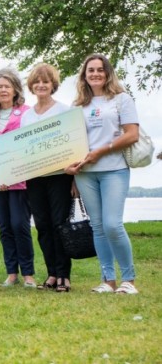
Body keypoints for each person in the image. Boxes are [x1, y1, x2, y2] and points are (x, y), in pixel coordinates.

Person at [65, 54, 140, 295]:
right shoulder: (77, 106)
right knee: (97, 226)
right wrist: (72, 172)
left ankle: (129, 279)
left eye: (100, 69)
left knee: (112, 225)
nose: (95, 74)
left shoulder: (121, 100)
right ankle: (108, 280)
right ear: (84, 76)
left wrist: (101, 151)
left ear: (107, 73)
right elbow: (70, 143)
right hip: (86, 174)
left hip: (114, 169)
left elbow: (132, 135)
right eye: (91, 70)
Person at [21, 63, 74, 292]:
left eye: (46, 81)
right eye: (37, 81)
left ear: (53, 85)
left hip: (60, 177)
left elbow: (73, 146)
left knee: (59, 224)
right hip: (35, 179)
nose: (41, 85)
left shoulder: (64, 111)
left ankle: (64, 274)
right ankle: (51, 273)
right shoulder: (26, 116)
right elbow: (21, 150)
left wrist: (74, 179)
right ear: (32, 86)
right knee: (42, 225)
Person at [0, 68, 36, 288]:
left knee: (19, 224)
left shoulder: (27, 113)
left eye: (7, 86)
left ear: (15, 89)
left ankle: (29, 274)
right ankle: (11, 273)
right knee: (4, 226)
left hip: (19, 178)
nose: (2, 90)